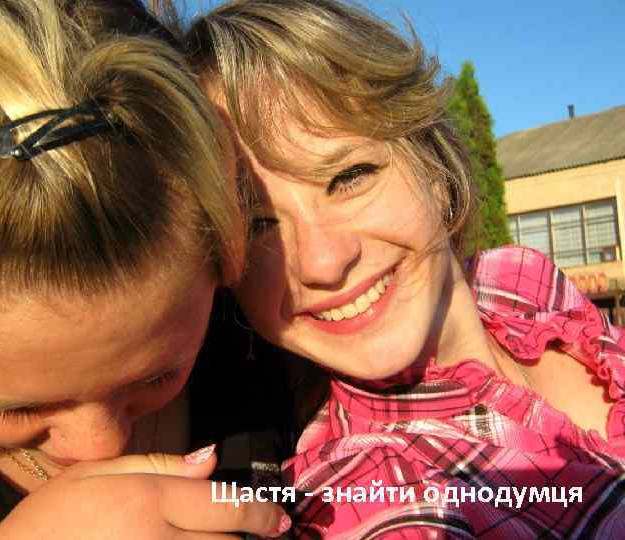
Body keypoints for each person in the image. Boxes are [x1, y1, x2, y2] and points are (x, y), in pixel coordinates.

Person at [186, 1, 625, 537]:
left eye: (349, 177)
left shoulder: (519, 281)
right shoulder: (372, 492)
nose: (324, 262)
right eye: (258, 225)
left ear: (433, 167)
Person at [0, 0, 292, 538]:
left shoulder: (281, 358)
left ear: (224, 263)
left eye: (158, 376)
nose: (102, 446)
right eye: (19, 409)